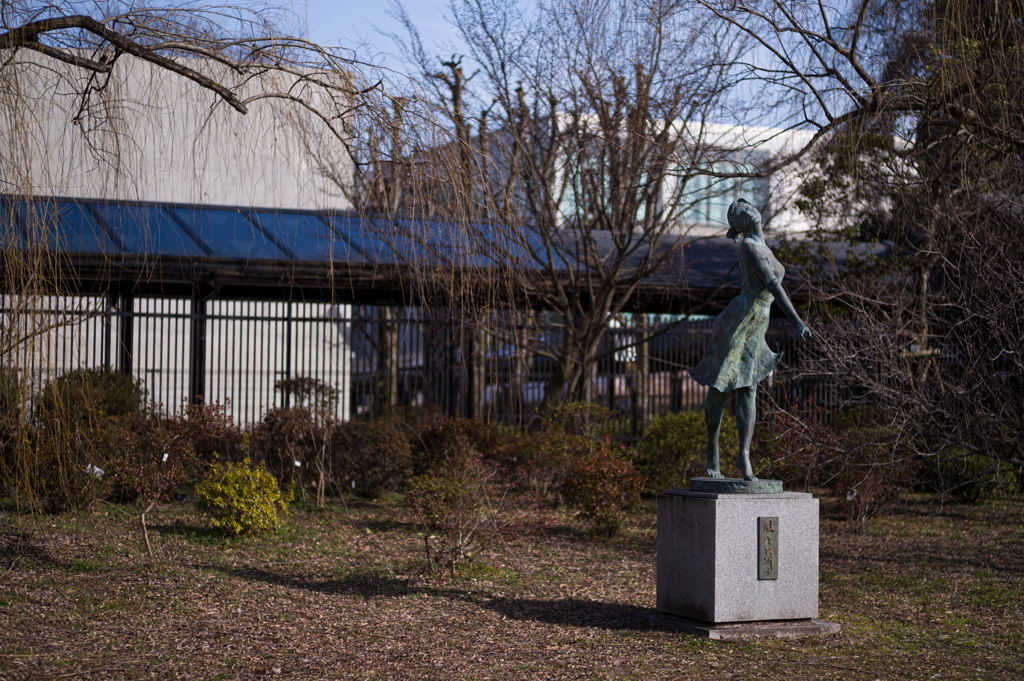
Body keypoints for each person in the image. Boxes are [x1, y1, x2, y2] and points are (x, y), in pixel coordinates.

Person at [688, 198, 812, 481]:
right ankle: (712, 452)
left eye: (747, 207)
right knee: (720, 386)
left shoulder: (763, 246)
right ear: (741, 226)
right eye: (740, 214)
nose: (748, 211)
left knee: (749, 390)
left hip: (758, 324)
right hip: (740, 321)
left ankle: (743, 455)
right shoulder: (748, 247)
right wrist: (797, 321)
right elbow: (772, 285)